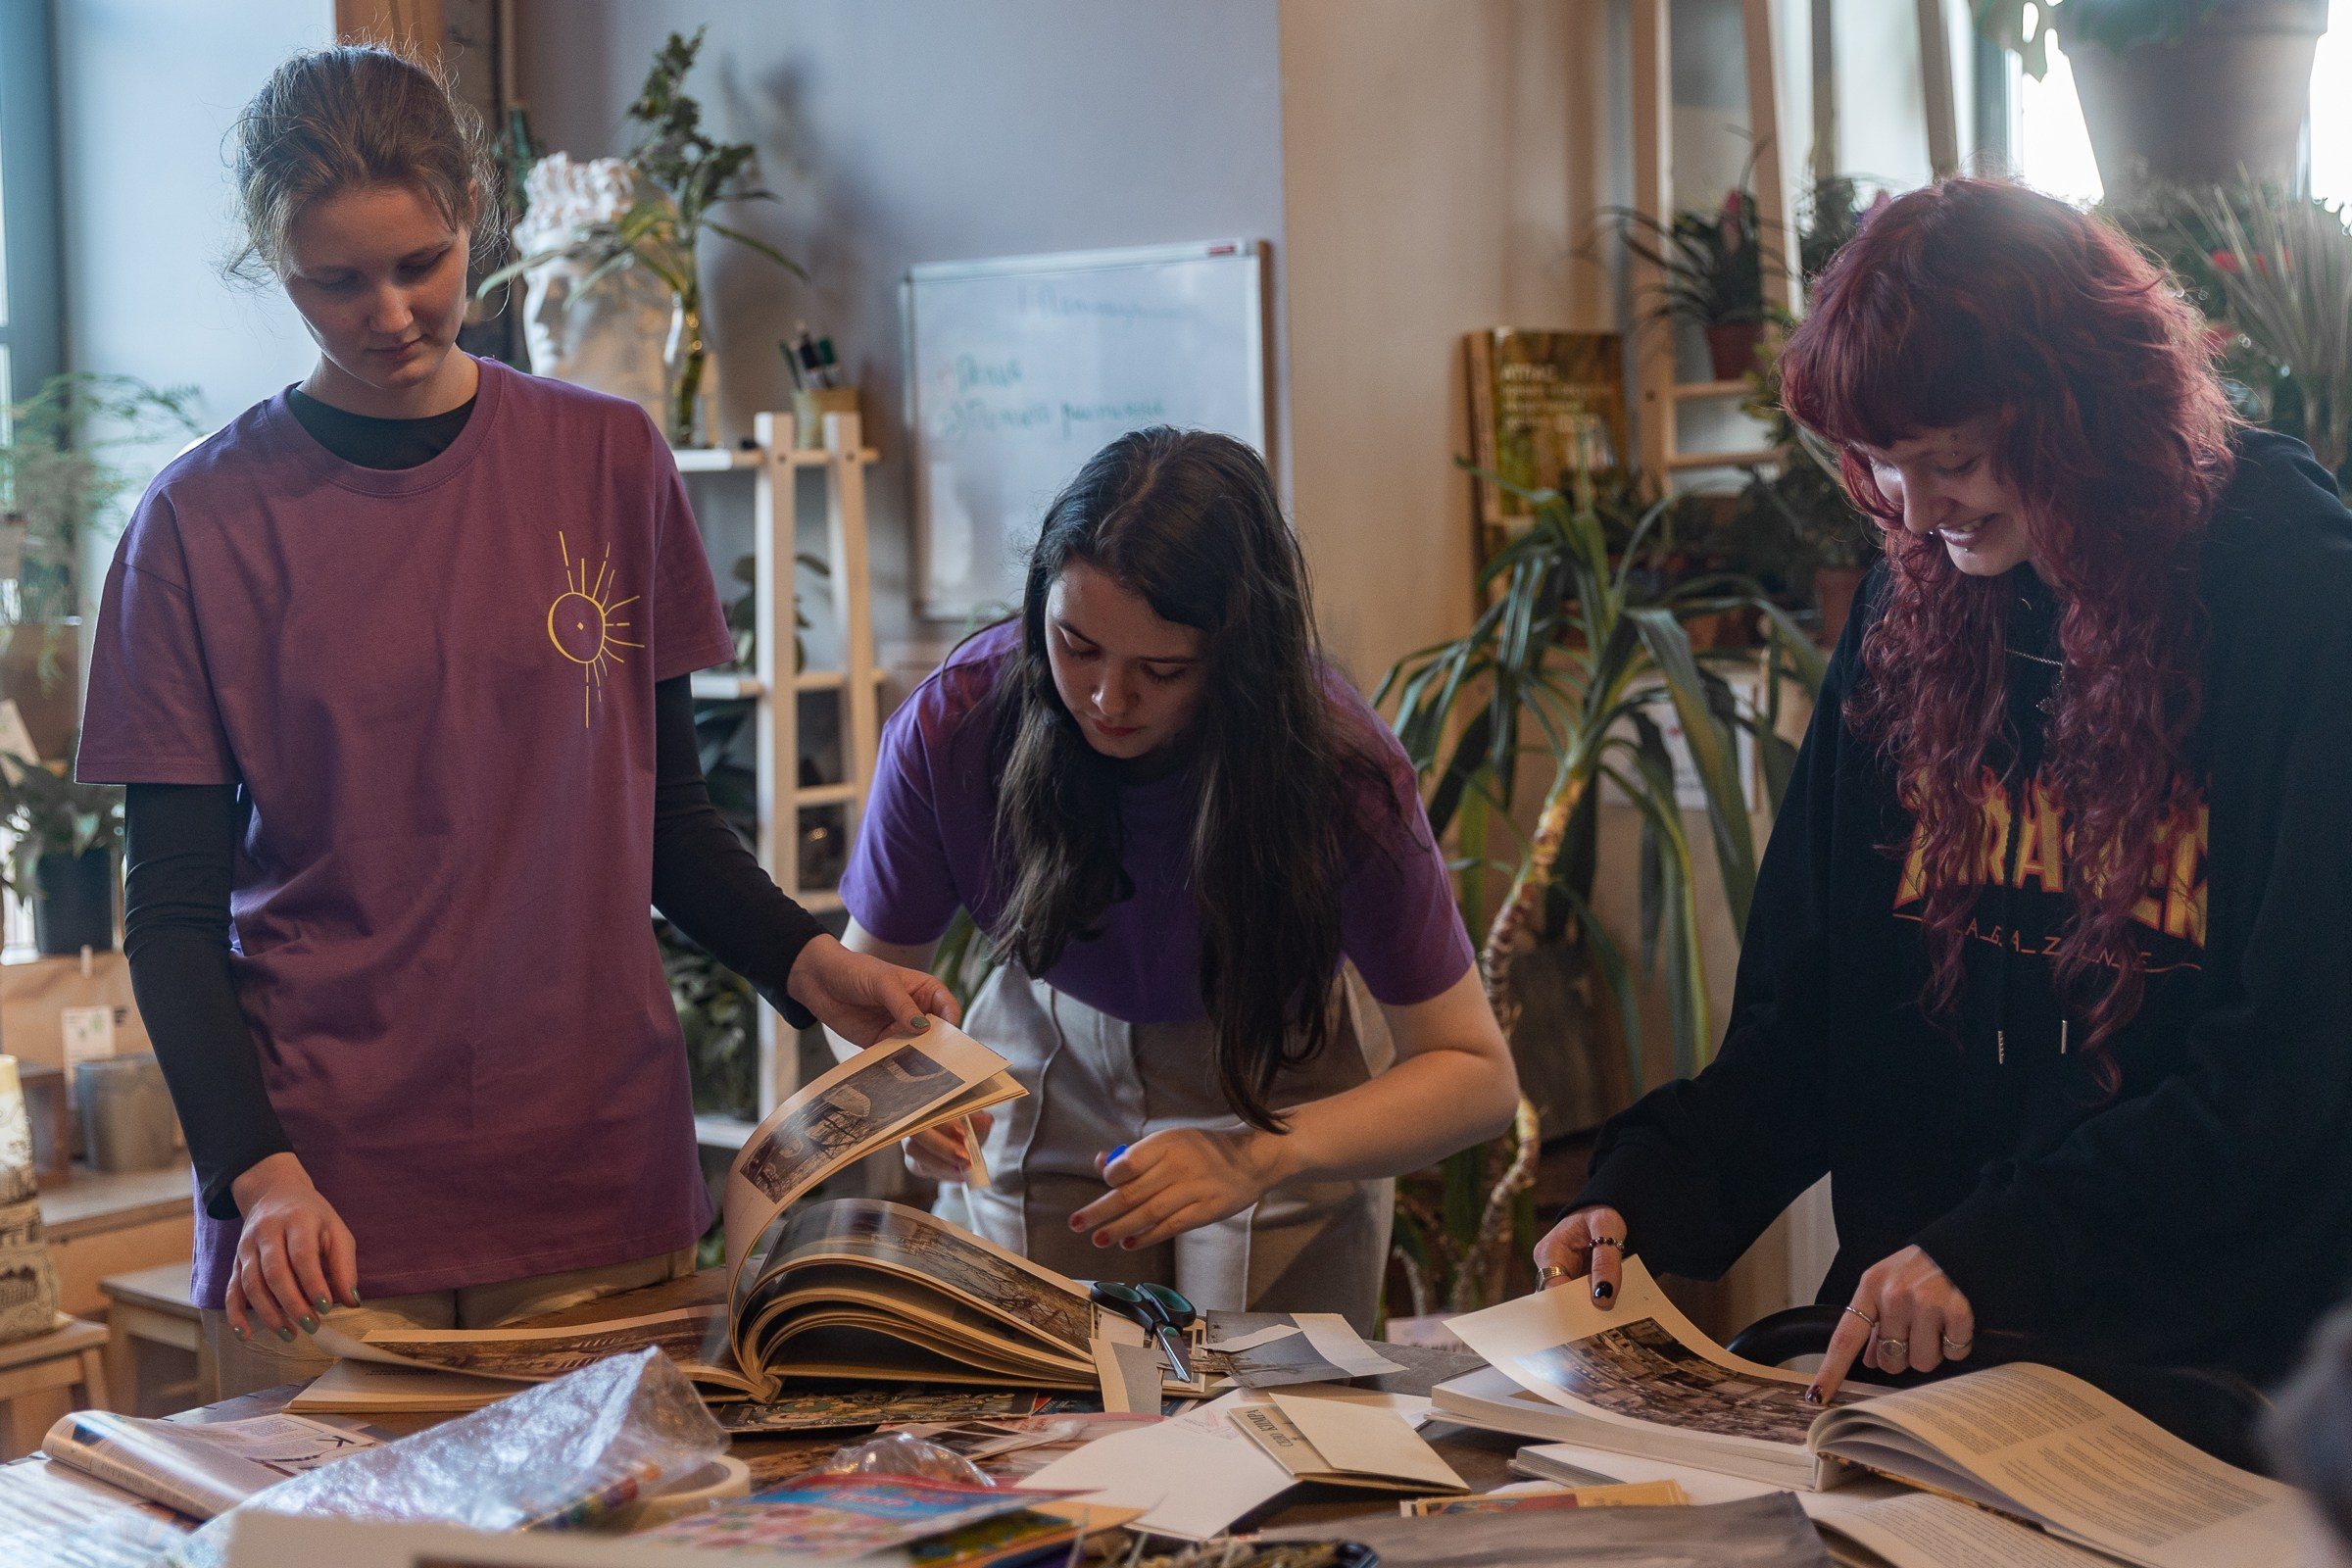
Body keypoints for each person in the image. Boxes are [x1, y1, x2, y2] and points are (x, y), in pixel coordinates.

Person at [74, 45, 955, 1396]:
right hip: (317, 1219)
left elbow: (663, 822)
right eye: (335, 281)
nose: (391, 311)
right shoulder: (196, 526)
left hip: (595, 1192)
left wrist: (817, 967)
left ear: (475, 212)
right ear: (272, 265)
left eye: (421, 261)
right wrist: (254, 1173)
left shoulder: (608, 462)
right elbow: (173, 911)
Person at [1532, 177, 2352, 1409]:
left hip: (2203, 1367)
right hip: (1919, 1364)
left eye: (1953, 460)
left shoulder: (2294, 599)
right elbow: (1815, 1021)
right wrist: (1647, 1189)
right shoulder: (1922, 590)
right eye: (1874, 465)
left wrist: (2008, 1245)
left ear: (2085, 414)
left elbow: (2293, 1068)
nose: (1912, 512)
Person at [836, 428, 1519, 1330]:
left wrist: (1257, 1155)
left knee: (1279, 1417)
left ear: (1239, 661)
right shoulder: (956, 724)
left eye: (1162, 671)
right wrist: (906, 1097)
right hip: (1048, 1050)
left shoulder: (1335, 768)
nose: (1108, 702)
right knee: (1051, 1407)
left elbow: (1475, 1075)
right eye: (1076, 646)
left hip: (1280, 1071)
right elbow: (861, 994)